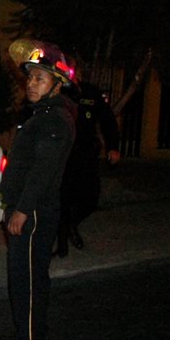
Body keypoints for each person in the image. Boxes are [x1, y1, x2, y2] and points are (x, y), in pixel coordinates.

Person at [0, 40, 76, 340]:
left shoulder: (54, 120)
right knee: (23, 275)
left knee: (27, 277)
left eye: (39, 79)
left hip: (34, 212)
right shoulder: (41, 115)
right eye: (29, 78)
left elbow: (43, 172)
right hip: (25, 208)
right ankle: (26, 332)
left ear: (56, 84)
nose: (31, 83)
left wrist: (21, 210)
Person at [55, 59, 121, 257]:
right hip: (65, 154)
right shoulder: (59, 91)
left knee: (91, 197)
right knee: (64, 198)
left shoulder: (90, 92)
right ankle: (62, 245)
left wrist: (113, 147)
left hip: (86, 153)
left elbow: (108, 120)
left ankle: (71, 225)